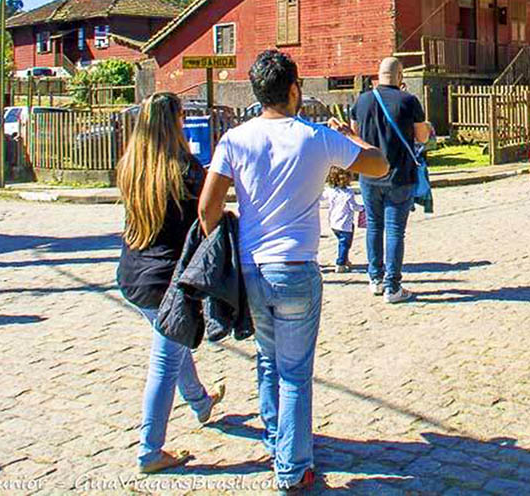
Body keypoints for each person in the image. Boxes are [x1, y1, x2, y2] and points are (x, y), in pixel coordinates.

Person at [198, 51, 388, 493]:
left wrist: (225, 242)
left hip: (251, 266)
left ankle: (276, 436)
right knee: (296, 371)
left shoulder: (234, 140)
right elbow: (379, 165)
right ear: (294, 89)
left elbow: (208, 208)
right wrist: (352, 137)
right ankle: (293, 466)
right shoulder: (316, 138)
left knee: (267, 359)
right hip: (297, 266)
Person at [116, 92, 225, 474]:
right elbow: (208, 213)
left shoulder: (132, 166)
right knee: (165, 361)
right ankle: (149, 450)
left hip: (133, 276)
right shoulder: (186, 170)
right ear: (176, 120)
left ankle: (200, 401)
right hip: (168, 282)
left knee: (174, 345)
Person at [350, 57, 432, 304]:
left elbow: (353, 134)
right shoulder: (409, 101)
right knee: (396, 230)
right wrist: (426, 126)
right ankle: (392, 286)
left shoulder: (362, 100)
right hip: (399, 174)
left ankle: (375, 279)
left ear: (378, 75)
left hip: (369, 174)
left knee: (374, 226)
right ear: (400, 76)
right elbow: (422, 137)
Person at [322, 167, 364, 273]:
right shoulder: (348, 193)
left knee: (342, 242)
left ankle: (345, 260)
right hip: (345, 223)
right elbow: (353, 207)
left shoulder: (330, 191)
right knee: (345, 244)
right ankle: (340, 263)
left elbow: (321, 198)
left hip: (333, 222)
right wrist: (363, 208)